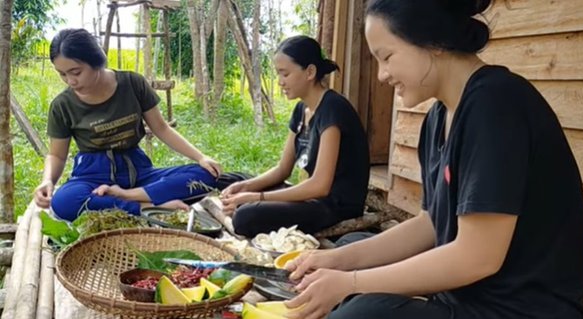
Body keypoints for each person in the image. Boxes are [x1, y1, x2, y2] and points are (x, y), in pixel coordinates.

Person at [283, 1, 583, 319]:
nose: (382, 75)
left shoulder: (496, 105)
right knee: (352, 247)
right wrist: (337, 262)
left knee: (361, 312)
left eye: (386, 57)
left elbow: (478, 257)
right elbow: (431, 224)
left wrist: (351, 283)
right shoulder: (438, 118)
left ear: (433, 41)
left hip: (518, 311)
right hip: (464, 298)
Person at [34, 28, 224, 222]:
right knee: (64, 202)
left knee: (206, 175)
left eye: (76, 72)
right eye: (62, 74)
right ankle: (148, 206)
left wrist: (201, 157)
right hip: (92, 176)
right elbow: (57, 155)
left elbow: (161, 128)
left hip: (138, 172)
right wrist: (48, 181)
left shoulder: (133, 83)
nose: (71, 81)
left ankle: (125, 197)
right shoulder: (62, 105)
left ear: (96, 61)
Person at [220, 35, 370, 238]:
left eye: (285, 74)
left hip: (333, 206)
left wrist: (256, 197)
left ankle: (247, 204)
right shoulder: (302, 109)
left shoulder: (333, 109)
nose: (280, 82)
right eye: (278, 74)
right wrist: (246, 187)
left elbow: (320, 186)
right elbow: (283, 169)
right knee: (233, 180)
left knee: (245, 216)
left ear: (310, 72)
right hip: (311, 196)